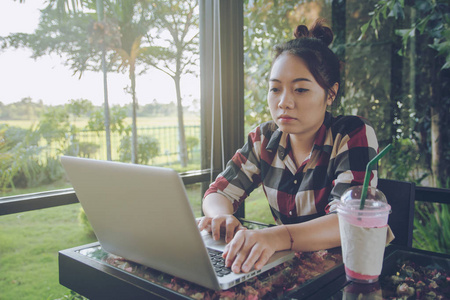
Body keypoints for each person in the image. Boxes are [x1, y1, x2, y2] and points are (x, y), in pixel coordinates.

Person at [197, 19, 379, 275]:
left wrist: (274, 237)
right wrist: (221, 216)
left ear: (331, 94)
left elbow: (349, 221)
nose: (284, 103)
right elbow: (219, 192)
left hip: (348, 272)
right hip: (291, 269)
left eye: (301, 90)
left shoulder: (351, 134)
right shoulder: (264, 138)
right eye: (275, 89)